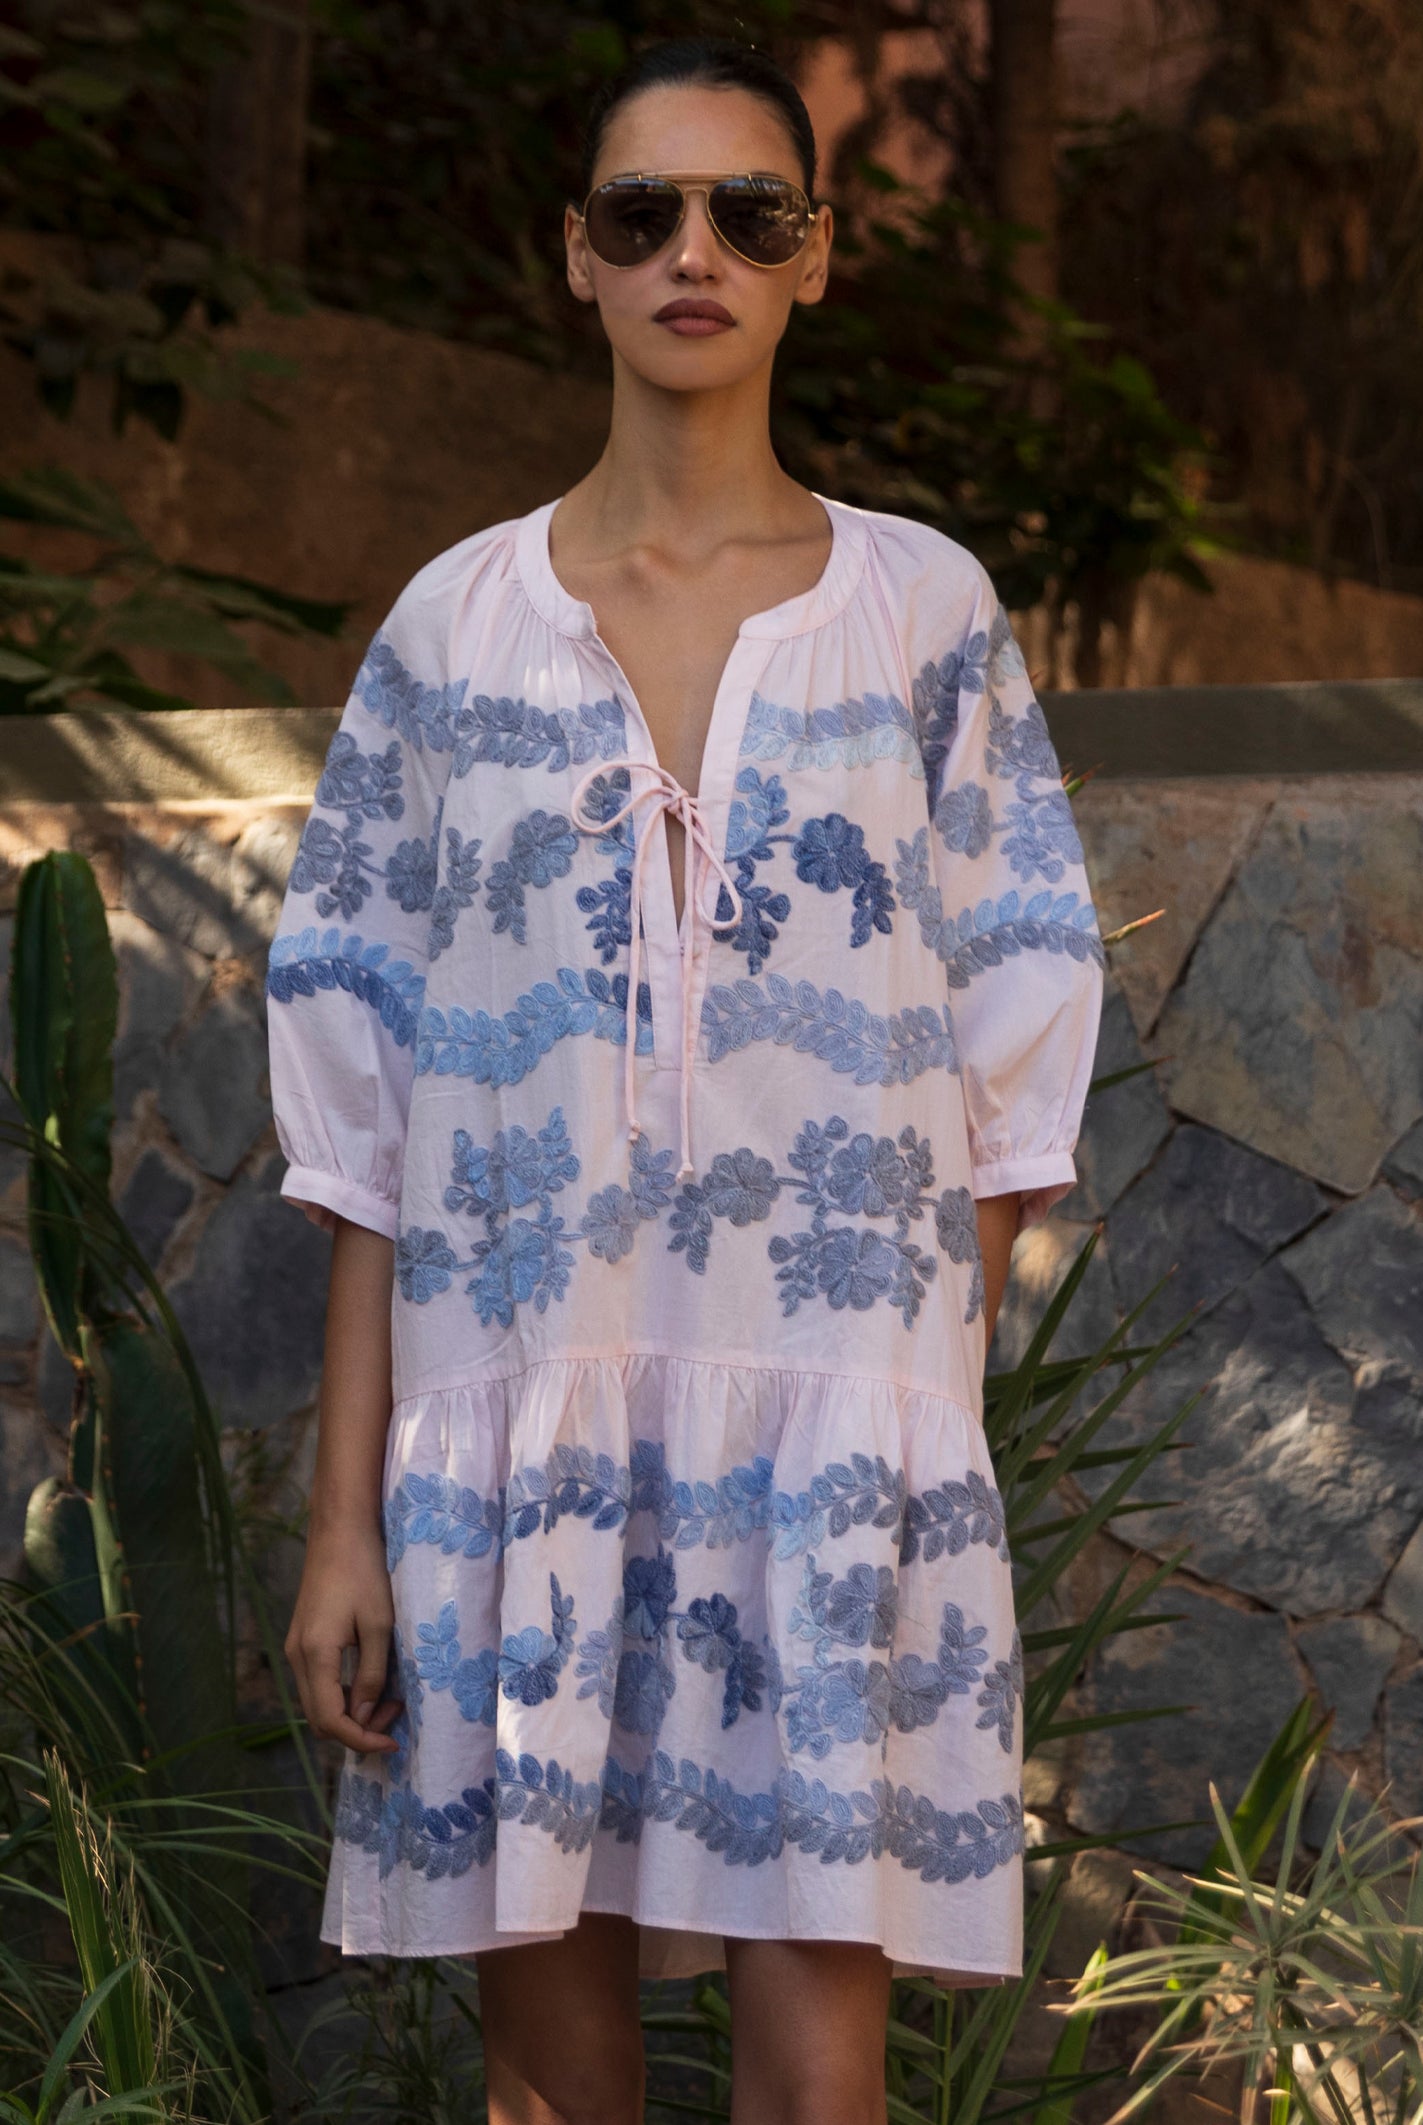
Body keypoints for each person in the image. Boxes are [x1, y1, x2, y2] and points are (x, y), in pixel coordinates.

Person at [267, 31, 1105, 2125]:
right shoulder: (452, 632)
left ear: (818, 253)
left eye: (750, 211)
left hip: (823, 1453)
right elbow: (367, 1131)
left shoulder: (924, 615)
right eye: (643, 213)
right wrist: (346, 1526)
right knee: (547, 2081)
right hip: (514, 1435)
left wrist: (895, 1418)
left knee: (822, 2078)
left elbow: (1013, 1070)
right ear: (578, 253)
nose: (694, 254)